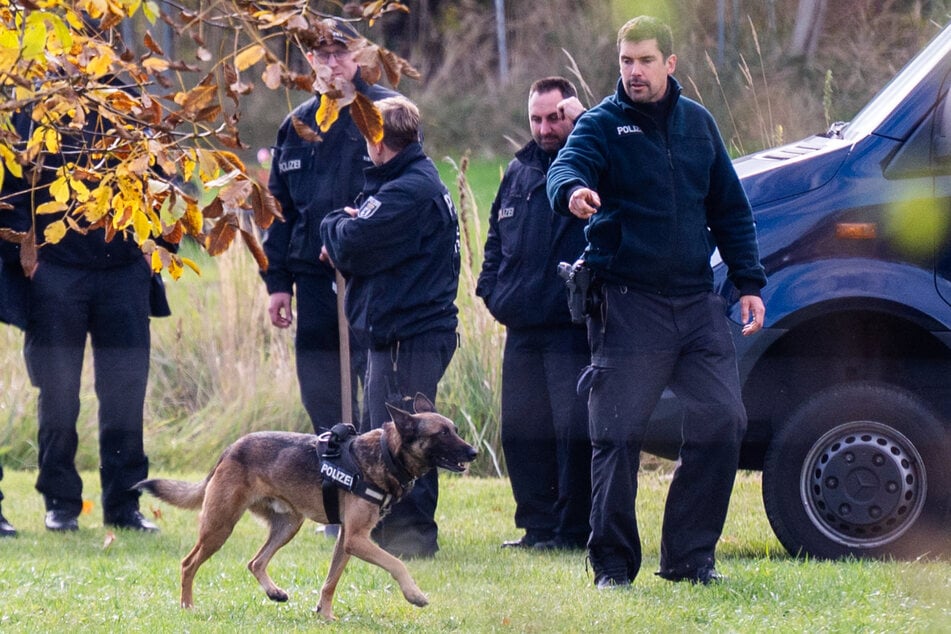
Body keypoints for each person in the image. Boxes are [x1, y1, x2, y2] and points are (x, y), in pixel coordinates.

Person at [546, 15, 767, 588]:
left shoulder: (699, 125)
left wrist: (748, 282)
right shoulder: (602, 125)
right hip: (627, 302)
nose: (634, 72)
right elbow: (566, 166)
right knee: (616, 435)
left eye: (645, 60)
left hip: (696, 302)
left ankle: (690, 559)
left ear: (670, 63)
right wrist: (573, 191)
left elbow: (730, 209)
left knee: (724, 419)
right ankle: (614, 568)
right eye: (625, 61)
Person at [0, 101, 170, 533]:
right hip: (56, 272)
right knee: (57, 395)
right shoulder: (35, 106)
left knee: (125, 396)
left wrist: (151, 246)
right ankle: (61, 502)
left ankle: (124, 504)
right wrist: (26, 250)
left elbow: (165, 175)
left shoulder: (129, 103)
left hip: (124, 271)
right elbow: (12, 187)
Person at [320, 95, 459, 559]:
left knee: (404, 441)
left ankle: (410, 538)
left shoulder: (405, 192)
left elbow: (355, 244)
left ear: (378, 141)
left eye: (366, 138)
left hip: (407, 335)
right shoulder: (410, 182)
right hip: (409, 331)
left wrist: (335, 222)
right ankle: (392, 532)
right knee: (394, 435)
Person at [262, 19, 398, 435]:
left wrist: (354, 239)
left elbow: (406, 196)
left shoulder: (386, 113)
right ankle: (334, 479)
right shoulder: (297, 126)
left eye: (341, 53)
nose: (333, 63)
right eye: (323, 55)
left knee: (381, 390)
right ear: (310, 60)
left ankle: (379, 485)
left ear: (358, 54)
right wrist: (277, 283)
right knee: (321, 392)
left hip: (372, 276)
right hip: (313, 279)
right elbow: (279, 210)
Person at [476, 77, 592, 551]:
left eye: (555, 118)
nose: (545, 128)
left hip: (570, 329)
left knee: (572, 433)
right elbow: (494, 244)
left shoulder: (591, 164)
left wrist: (585, 124)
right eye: (537, 119)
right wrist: (492, 293)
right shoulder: (518, 172)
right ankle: (537, 528)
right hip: (521, 327)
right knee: (522, 431)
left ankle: (571, 531)